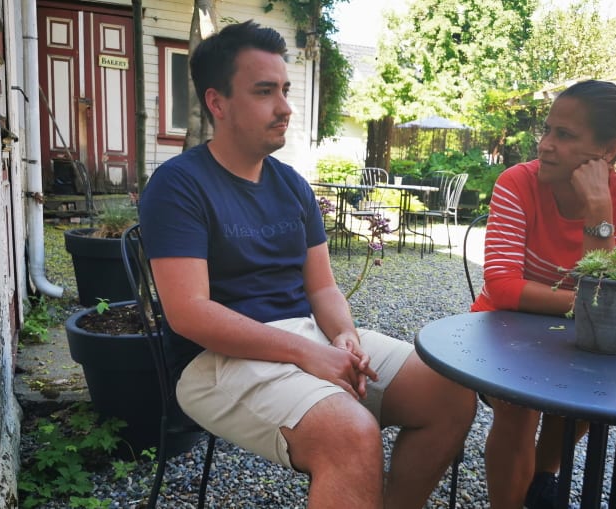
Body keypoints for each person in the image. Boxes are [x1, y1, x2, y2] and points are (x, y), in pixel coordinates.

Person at [139, 20, 476, 509]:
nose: (285, 107)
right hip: (213, 361)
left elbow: (323, 289)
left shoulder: (292, 184)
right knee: (351, 434)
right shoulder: (179, 185)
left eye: (285, 90)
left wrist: (344, 337)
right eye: (264, 91)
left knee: (449, 394)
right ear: (217, 102)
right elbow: (190, 314)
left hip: (306, 337)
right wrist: (305, 354)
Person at [470, 80, 616, 509]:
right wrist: (597, 306)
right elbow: (502, 286)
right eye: (547, 130)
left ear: (609, 150)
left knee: (589, 393)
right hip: (501, 328)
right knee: (518, 405)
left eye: (564, 135)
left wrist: (598, 210)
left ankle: (541, 479)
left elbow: (611, 295)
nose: (545, 145)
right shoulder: (517, 183)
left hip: (576, 338)